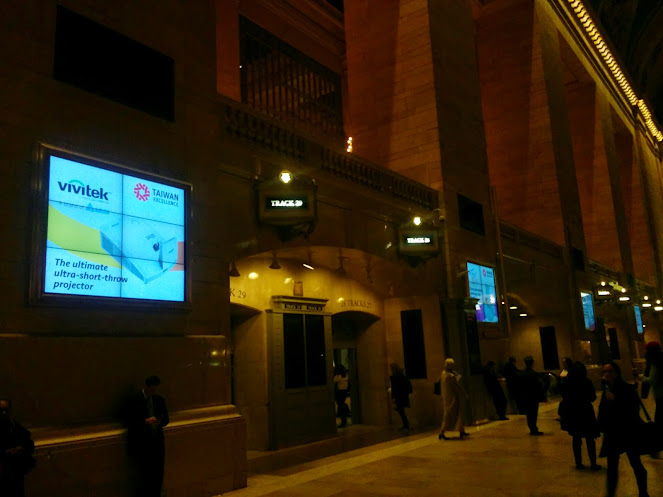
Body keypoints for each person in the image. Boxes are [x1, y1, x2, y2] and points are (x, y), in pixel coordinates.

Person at [598, 361, 649, 497]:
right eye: (604, 371)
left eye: (609, 371)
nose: (606, 374)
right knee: (612, 466)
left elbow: (633, 410)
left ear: (616, 373)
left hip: (627, 431)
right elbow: (603, 410)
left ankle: (643, 492)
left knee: (635, 463)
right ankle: (610, 493)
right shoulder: (607, 389)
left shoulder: (626, 389)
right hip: (613, 433)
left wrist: (615, 401)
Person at [127, 375, 170, 497]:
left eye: (155, 389)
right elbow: (130, 421)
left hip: (157, 442)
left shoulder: (159, 400)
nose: (154, 392)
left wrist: (159, 421)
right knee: (144, 474)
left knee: (158, 472)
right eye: (152, 389)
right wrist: (145, 421)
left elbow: (166, 419)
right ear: (146, 387)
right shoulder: (135, 400)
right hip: (143, 443)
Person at [560, 362, 600, 470]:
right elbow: (592, 397)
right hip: (586, 412)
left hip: (573, 412)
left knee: (576, 439)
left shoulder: (568, 382)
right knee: (590, 439)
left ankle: (578, 463)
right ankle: (593, 463)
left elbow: (564, 396)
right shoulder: (587, 382)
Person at [0, 399, 35, 497]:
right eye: (1, 410)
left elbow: (29, 443)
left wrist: (20, 449)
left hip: (15, 472)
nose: (4, 413)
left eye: (6, 410)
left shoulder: (15, 426)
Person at [439, 358, 469, 440]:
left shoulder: (443, 373)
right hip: (453, 398)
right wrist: (464, 394)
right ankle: (442, 432)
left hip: (446, 397)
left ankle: (461, 430)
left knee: (450, 414)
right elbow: (457, 385)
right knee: (451, 414)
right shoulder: (451, 376)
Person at [519, 356, 545, 435]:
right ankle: (533, 428)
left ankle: (531, 427)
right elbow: (539, 385)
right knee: (533, 413)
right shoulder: (534, 374)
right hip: (533, 397)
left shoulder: (521, 374)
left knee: (528, 413)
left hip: (525, 396)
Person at [641, 342, 663, 423]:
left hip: (660, 394)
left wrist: (642, 377)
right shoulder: (660, 360)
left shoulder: (655, 364)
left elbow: (652, 380)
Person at [390, 363, 412, 431]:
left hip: (399, 396)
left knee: (401, 411)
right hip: (403, 395)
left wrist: (393, 397)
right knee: (401, 411)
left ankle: (406, 425)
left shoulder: (395, 377)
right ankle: (406, 424)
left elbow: (394, 388)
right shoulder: (402, 375)